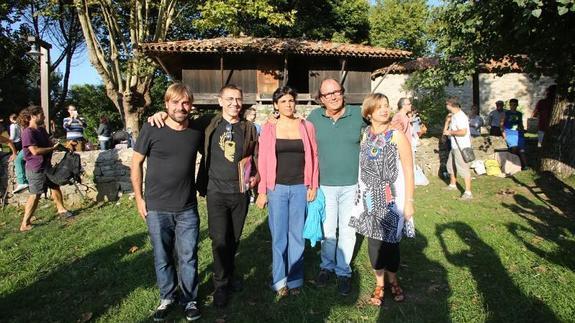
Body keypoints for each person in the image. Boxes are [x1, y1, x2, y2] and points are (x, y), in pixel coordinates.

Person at [149, 84, 258, 308]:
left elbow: (254, 156)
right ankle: (220, 286)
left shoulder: (249, 128)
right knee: (219, 239)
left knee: (234, 239)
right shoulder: (208, 123)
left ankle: (229, 274)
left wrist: (255, 176)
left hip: (240, 192)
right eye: (229, 99)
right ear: (220, 101)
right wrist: (160, 113)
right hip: (215, 192)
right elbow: (179, 121)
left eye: (238, 99)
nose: (234, 103)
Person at [131, 83, 202, 321]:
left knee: (188, 256)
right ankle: (167, 297)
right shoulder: (152, 128)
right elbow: (136, 164)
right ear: (166, 104)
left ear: (191, 105)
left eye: (185, 103)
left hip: (187, 208)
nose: (180, 107)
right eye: (175, 102)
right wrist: (139, 199)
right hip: (157, 207)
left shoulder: (196, 130)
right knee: (162, 257)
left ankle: (189, 299)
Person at [348, 93, 415, 306]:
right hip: (369, 198)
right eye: (379, 107)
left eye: (386, 106)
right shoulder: (365, 135)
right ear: (369, 114)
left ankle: (393, 279)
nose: (385, 110)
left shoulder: (397, 135)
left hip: (392, 198)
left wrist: (410, 201)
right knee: (374, 243)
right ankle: (380, 283)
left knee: (391, 243)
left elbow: (408, 168)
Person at [255, 86, 319, 297]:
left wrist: (313, 185)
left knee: (297, 236)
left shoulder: (306, 126)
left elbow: (314, 157)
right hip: (277, 189)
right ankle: (279, 280)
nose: (288, 104)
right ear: (275, 105)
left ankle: (295, 280)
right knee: (279, 237)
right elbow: (262, 160)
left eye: (291, 100)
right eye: (283, 101)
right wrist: (262, 191)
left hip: (301, 187)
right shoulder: (269, 128)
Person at [306, 78, 366, 296]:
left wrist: (394, 123)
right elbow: (298, 133)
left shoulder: (358, 114)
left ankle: (343, 272)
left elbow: (379, 124)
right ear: (320, 99)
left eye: (336, 92)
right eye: (327, 94)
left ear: (343, 92)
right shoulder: (313, 118)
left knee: (348, 231)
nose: (332, 96)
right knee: (328, 230)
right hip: (325, 185)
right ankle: (326, 267)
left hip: (351, 185)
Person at [19, 106, 72, 232]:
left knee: (55, 186)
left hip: (46, 166)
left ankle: (61, 209)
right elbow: (35, 151)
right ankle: (25, 223)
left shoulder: (41, 130)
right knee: (35, 194)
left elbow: (50, 143)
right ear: (33, 116)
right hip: (35, 168)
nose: (43, 116)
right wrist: (53, 149)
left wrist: (66, 146)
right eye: (41, 114)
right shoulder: (28, 132)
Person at [443, 97, 473, 200]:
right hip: (455, 146)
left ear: (451, 105)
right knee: (451, 166)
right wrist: (447, 122)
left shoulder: (461, 116)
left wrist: (450, 132)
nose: (446, 106)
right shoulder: (454, 116)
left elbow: (463, 132)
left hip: (462, 147)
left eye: (447, 104)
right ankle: (453, 185)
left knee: (464, 169)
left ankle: (468, 192)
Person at [501, 98, 528, 169]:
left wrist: (522, 131)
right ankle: (514, 166)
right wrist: (504, 135)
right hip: (509, 134)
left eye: (514, 105)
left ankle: (525, 166)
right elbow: (501, 125)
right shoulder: (506, 113)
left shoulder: (519, 114)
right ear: (509, 105)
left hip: (518, 134)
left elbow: (521, 124)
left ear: (517, 105)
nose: (513, 106)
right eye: (511, 105)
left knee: (522, 150)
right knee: (513, 149)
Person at [9, 113, 28, 193]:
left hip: (16, 143)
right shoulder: (19, 125)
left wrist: (8, 140)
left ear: (11, 119)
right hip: (21, 143)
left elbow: (12, 137)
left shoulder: (13, 126)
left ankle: (22, 182)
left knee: (18, 160)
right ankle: (24, 181)